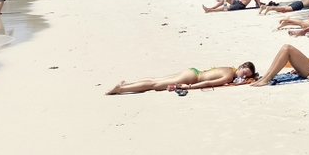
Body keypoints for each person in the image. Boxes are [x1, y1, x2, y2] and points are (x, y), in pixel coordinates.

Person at [106, 61, 257, 94]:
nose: (243, 77)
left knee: (156, 80)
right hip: (191, 79)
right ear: (242, 67)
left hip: (193, 71)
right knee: (154, 85)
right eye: (244, 74)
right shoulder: (229, 74)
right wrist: (189, 87)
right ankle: (121, 89)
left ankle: (126, 83)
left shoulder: (230, 68)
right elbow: (209, 83)